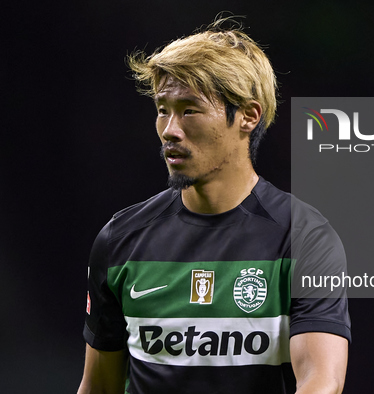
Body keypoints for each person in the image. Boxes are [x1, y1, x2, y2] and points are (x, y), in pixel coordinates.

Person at [78, 17, 350, 394]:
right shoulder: (120, 239)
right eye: (162, 109)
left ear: (248, 117)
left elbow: (322, 381)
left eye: (189, 110)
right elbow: (98, 386)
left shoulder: (303, 237)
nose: (170, 129)